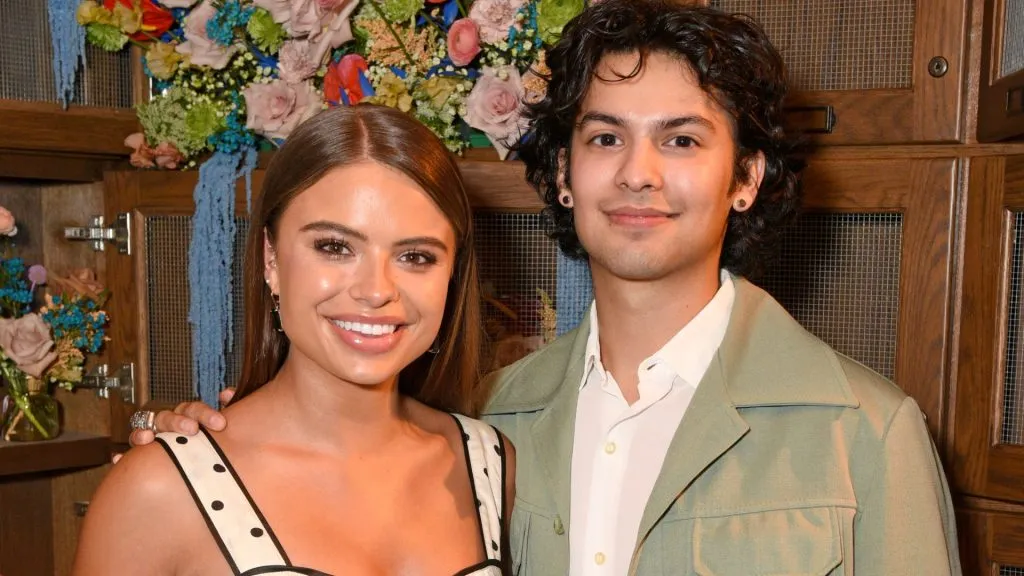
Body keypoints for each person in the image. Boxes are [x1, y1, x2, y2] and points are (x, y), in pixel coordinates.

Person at [131, 1, 963, 574]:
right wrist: (194, 452)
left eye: (681, 140)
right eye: (606, 138)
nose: (638, 174)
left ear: (744, 178)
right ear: (564, 174)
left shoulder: (864, 431)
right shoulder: (487, 424)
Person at [73, 104, 515, 575]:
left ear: (452, 273)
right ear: (271, 258)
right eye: (335, 247)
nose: (376, 290)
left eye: (416, 256)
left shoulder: (490, 464)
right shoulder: (158, 489)